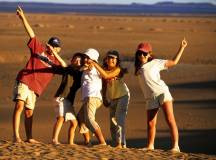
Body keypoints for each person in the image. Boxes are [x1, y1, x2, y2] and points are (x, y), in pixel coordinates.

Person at [13, 6, 65, 143]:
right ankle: (16, 136)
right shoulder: (39, 48)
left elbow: (65, 68)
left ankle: (29, 137)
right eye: (50, 44)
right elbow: (31, 33)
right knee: (19, 105)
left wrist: (54, 54)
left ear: (58, 49)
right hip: (25, 80)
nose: (50, 47)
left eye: (54, 46)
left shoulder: (56, 63)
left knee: (29, 112)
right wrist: (22, 17)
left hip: (36, 89)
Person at [134, 39, 187, 152]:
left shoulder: (156, 62)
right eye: (140, 53)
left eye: (144, 53)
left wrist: (182, 47)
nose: (142, 55)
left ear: (149, 54)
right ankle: (150, 146)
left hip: (162, 93)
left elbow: (173, 62)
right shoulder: (138, 68)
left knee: (169, 119)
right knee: (150, 123)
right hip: (150, 98)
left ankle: (175, 146)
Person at [90, 50, 130, 148]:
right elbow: (104, 84)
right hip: (113, 98)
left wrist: (95, 64)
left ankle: (121, 144)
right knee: (112, 123)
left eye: (113, 58)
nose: (111, 60)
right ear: (106, 59)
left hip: (123, 96)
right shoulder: (104, 69)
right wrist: (104, 98)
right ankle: (117, 143)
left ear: (117, 60)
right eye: (109, 58)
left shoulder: (118, 69)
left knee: (119, 118)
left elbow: (107, 75)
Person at [52, 53, 85, 145]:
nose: (78, 61)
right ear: (72, 60)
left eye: (80, 60)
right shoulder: (68, 69)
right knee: (61, 118)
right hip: (61, 97)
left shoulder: (80, 74)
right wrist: (53, 52)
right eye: (76, 59)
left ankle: (70, 142)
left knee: (74, 122)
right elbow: (62, 62)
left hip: (69, 101)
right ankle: (54, 139)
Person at [77, 48, 106, 145]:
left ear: (93, 59)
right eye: (85, 57)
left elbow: (89, 67)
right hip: (90, 98)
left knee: (89, 120)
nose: (85, 59)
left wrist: (88, 65)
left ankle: (102, 142)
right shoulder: (91, 67)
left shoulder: (92, 66)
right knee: (80, 117)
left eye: (88, 57)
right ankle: (87, 142)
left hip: (92, 97)